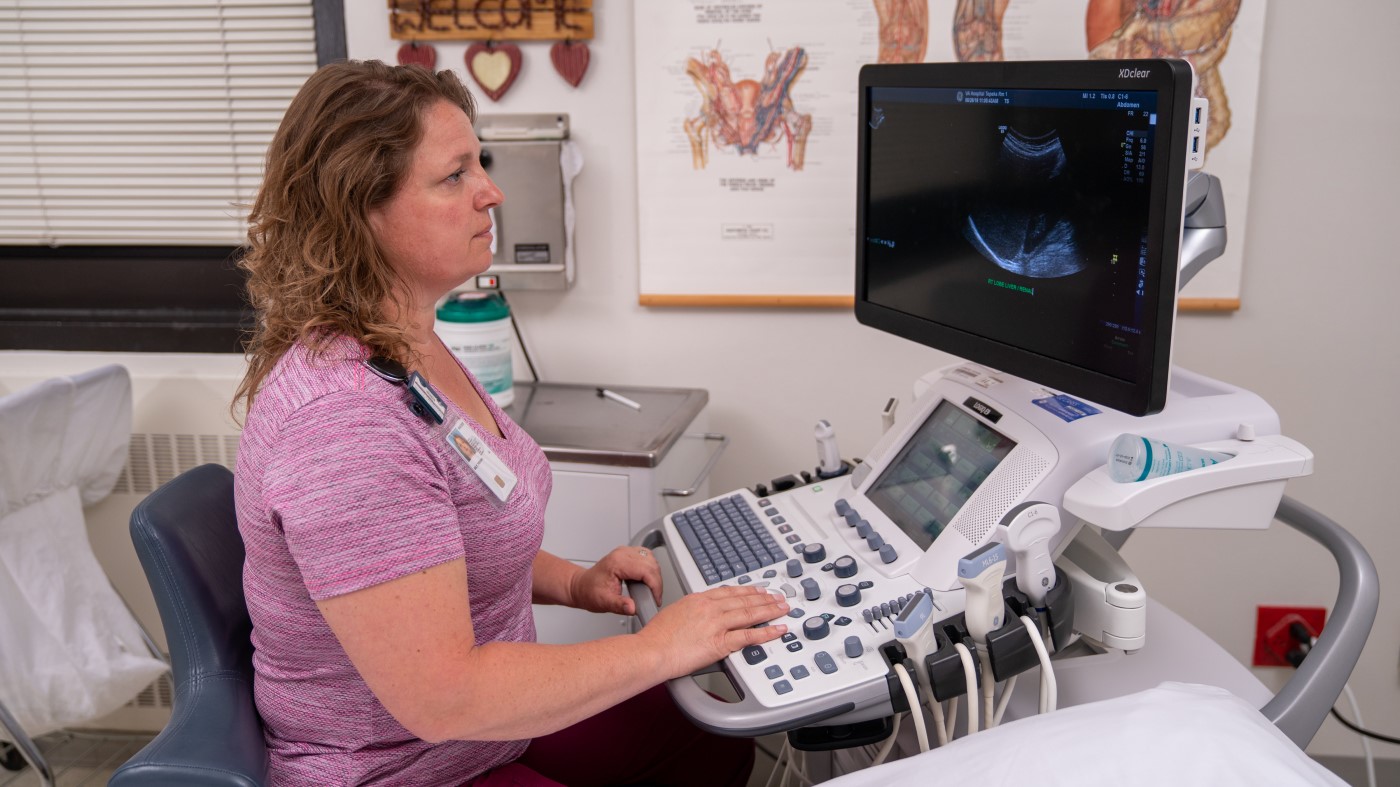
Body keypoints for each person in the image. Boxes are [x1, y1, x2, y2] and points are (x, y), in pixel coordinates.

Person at [232, 60, 790, 786]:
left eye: (481, 165)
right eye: (454, 176)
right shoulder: (344, 428)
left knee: (707, 733)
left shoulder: (404, 342)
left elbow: (444, 541)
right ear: (361, 211)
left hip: (475, 738)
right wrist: (662, 646)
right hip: (403, 767)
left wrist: (573, 582)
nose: (490, 192)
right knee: (683, 686)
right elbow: (446, 696)